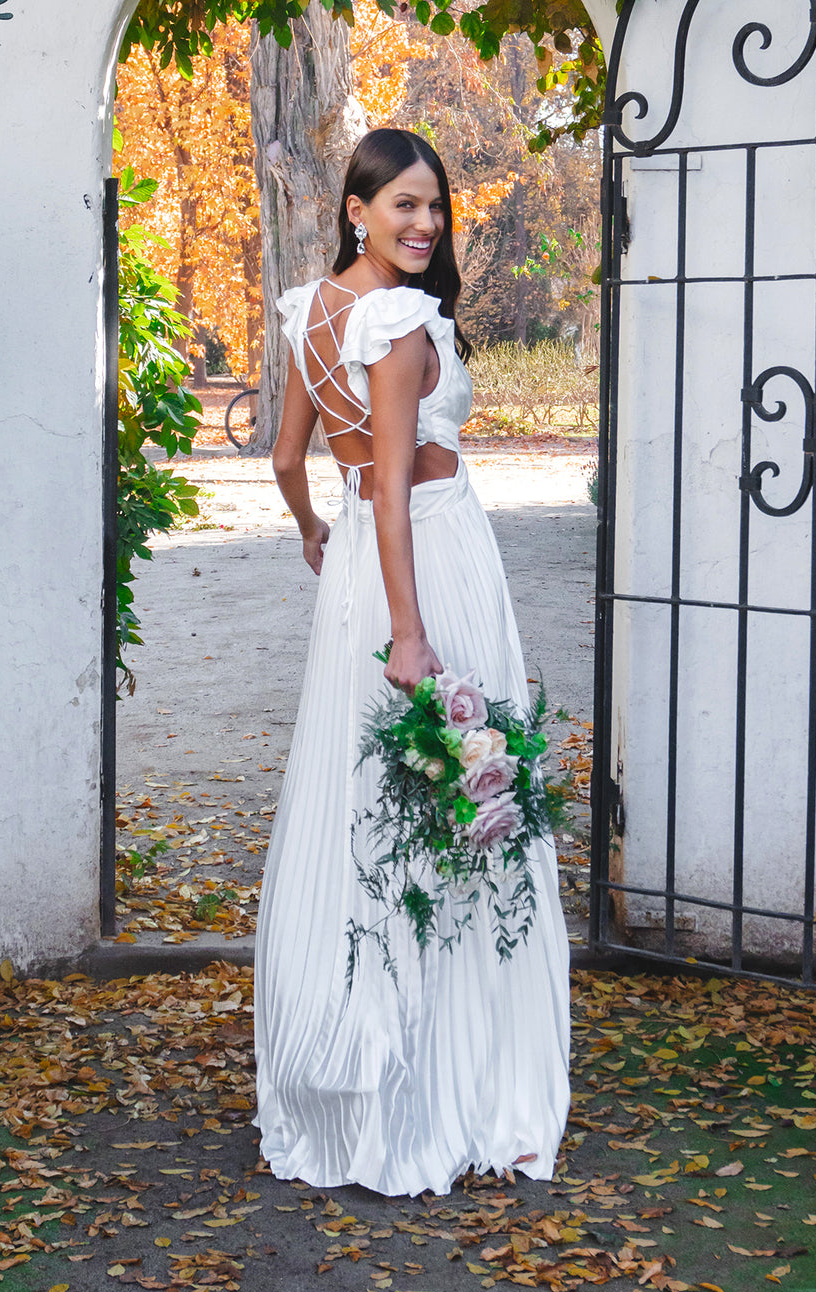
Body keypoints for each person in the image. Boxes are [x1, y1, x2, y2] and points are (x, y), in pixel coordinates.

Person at [254, 128, 570, 1197]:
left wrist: (309, 531)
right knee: (448, 796)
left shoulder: (310, 312)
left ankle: (366, 1055)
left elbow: (289, 457)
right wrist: (411, 630)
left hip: (357, 564)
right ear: (357, 209)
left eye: (436, 209)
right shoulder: (392, 321)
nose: (426, 226)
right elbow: (394, 488)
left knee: (369, 802)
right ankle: (440, 1082)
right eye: (405, 207)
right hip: (421, 565)